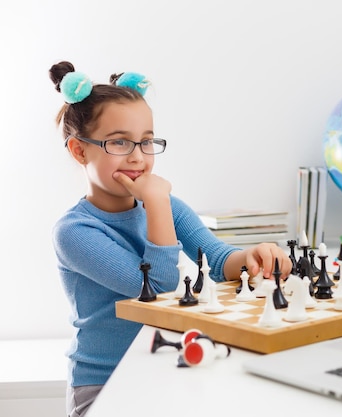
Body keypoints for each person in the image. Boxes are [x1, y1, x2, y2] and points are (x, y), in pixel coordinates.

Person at [48, 61, 292, 417]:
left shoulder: (167, 206)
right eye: (119, 142)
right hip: (106, 385)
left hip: (164, 367)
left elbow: (221, 263)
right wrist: (157, 203)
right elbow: (158, 289)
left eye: (146, 142)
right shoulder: (74, 232)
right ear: (79, 150)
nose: (137, 156)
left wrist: (253, 256)